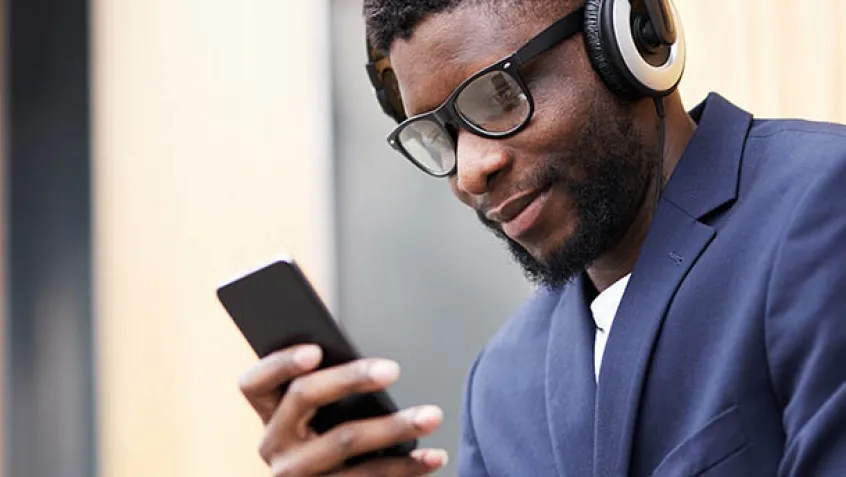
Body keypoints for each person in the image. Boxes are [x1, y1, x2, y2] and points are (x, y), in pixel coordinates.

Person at [238, 0, 846, 475]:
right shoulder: (502, 385)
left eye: (497, 96)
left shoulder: (820, 207)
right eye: (441, 134)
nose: (470, 171)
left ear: (632, 38)